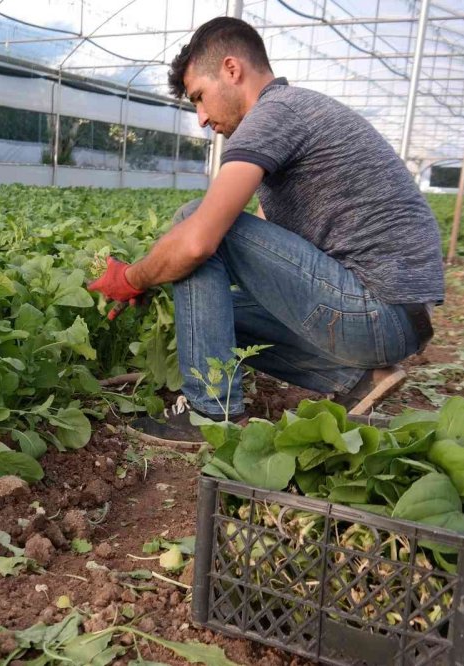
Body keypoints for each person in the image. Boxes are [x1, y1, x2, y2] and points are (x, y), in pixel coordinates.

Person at [88, 17, 443, 447]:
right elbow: (265, 244)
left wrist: (132, 278)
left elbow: (200, 240)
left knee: (192, 220)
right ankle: (359, 378)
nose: (200, 118)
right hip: (394, 319)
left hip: (375, 311)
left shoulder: (275, 114)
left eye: (199, 97)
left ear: (232, 70)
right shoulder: (295, 112)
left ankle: (210, 413)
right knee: (212, 320)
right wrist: (172, 278)